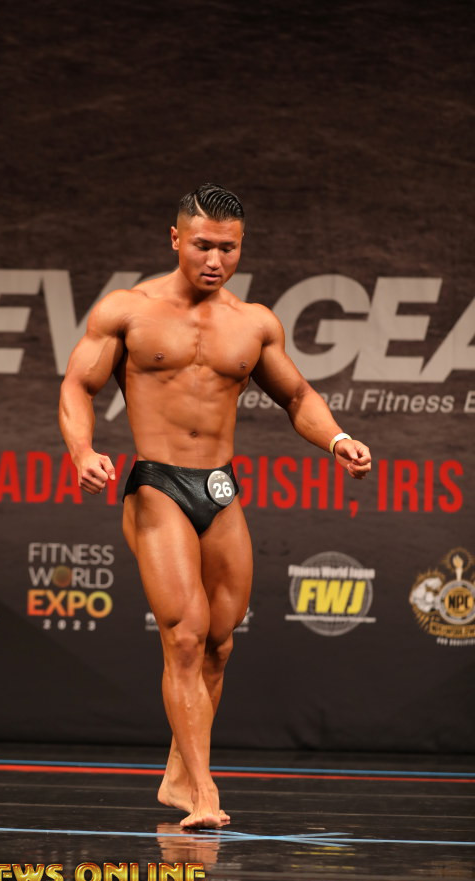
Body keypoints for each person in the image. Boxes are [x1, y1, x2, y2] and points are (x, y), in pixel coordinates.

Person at [59, 183, 371, 829]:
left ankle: (178, 775)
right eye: (202, 244)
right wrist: (83, 450)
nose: (214, 259)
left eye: (228, 248)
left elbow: (297, 396)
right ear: (175, 238)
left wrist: (338, 438)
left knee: (219, 645)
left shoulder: (254, 323)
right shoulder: (128, 310)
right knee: (185, 636)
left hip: (220, 488)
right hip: (157, 484)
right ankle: (204, 792)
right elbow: (78, 384)